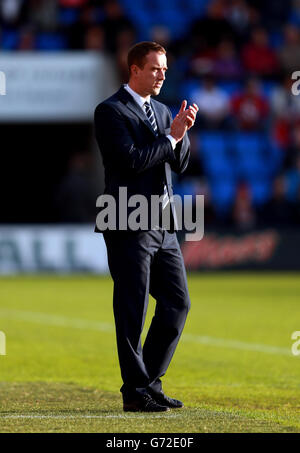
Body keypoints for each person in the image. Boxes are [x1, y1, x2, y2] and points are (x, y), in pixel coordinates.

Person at [94, 41, 198, 412]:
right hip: (125, 218)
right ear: (134, 69)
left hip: (163, 223)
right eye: (155, 68)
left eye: (165, 69)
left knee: (177, 302)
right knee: (132, 306)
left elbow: (179, 163)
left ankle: (148, 382)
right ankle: (134, 391)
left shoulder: (163, 109)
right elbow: (132, 161)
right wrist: (170, 137)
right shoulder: (110, 111)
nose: (162, 75)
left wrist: (181, 133)